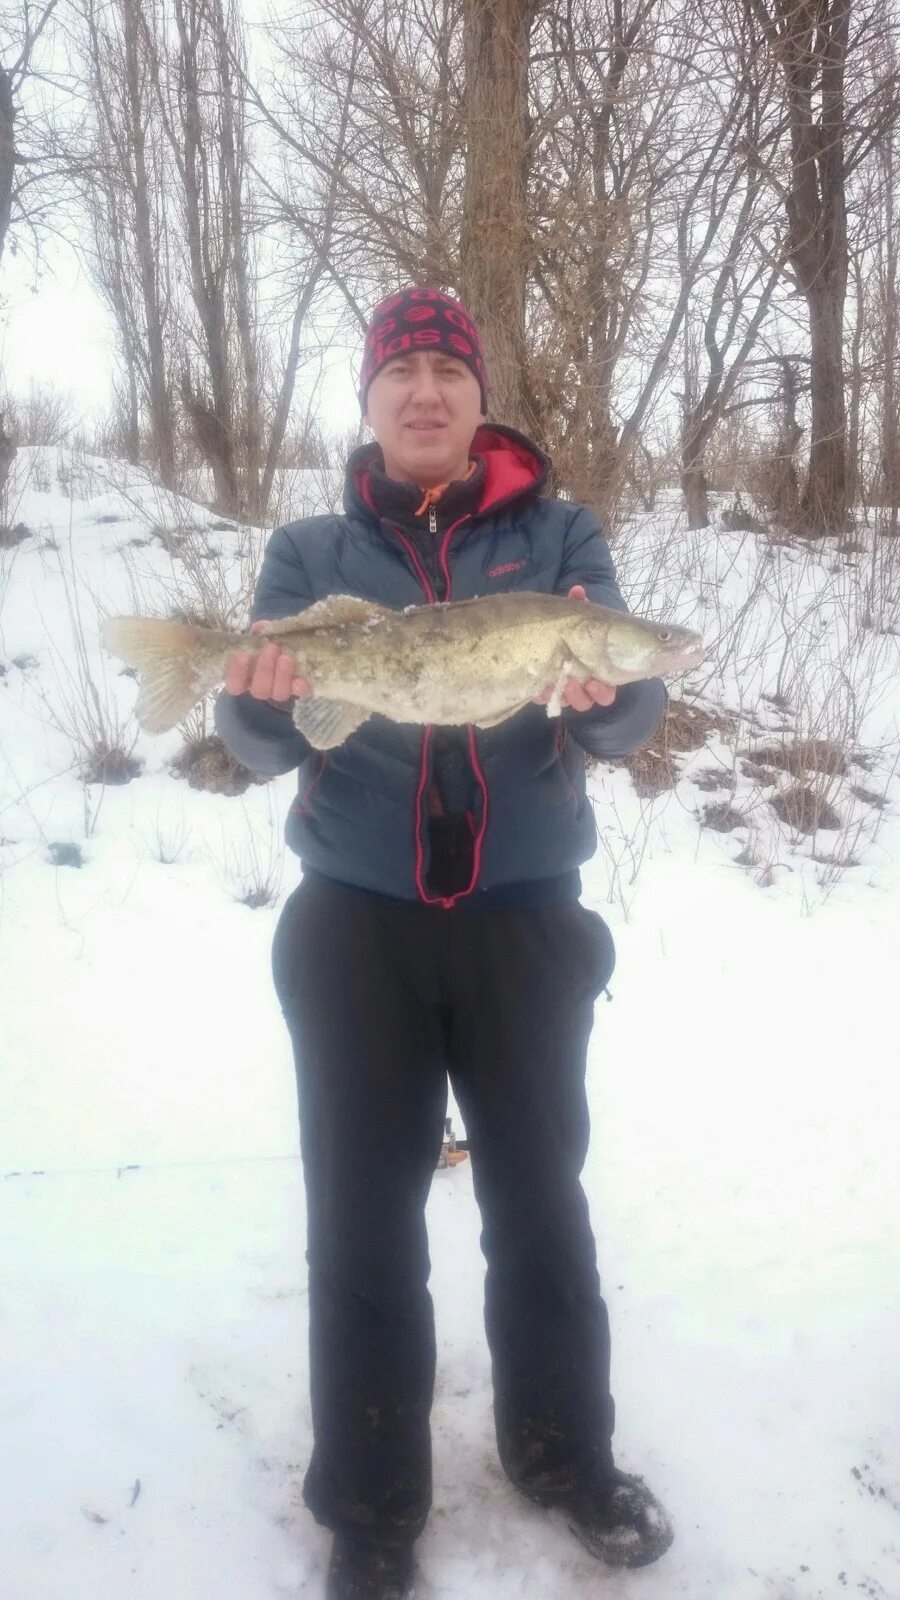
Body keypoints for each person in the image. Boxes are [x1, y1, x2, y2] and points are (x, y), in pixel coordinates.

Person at [214, 286, 675, 1600]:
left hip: (525, 931)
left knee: (542, 1208)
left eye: (448, 374)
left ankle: (563, 1454)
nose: (426, 392)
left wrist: (616, 692)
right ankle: (368, 1507)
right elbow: (258, 747)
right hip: (353, 933)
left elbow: (618, 722)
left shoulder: (562, 535)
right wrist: (250, 702)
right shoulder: (311, 554)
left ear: (481, 403)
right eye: (400, 373)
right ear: (369, 404)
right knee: (361, 1226)